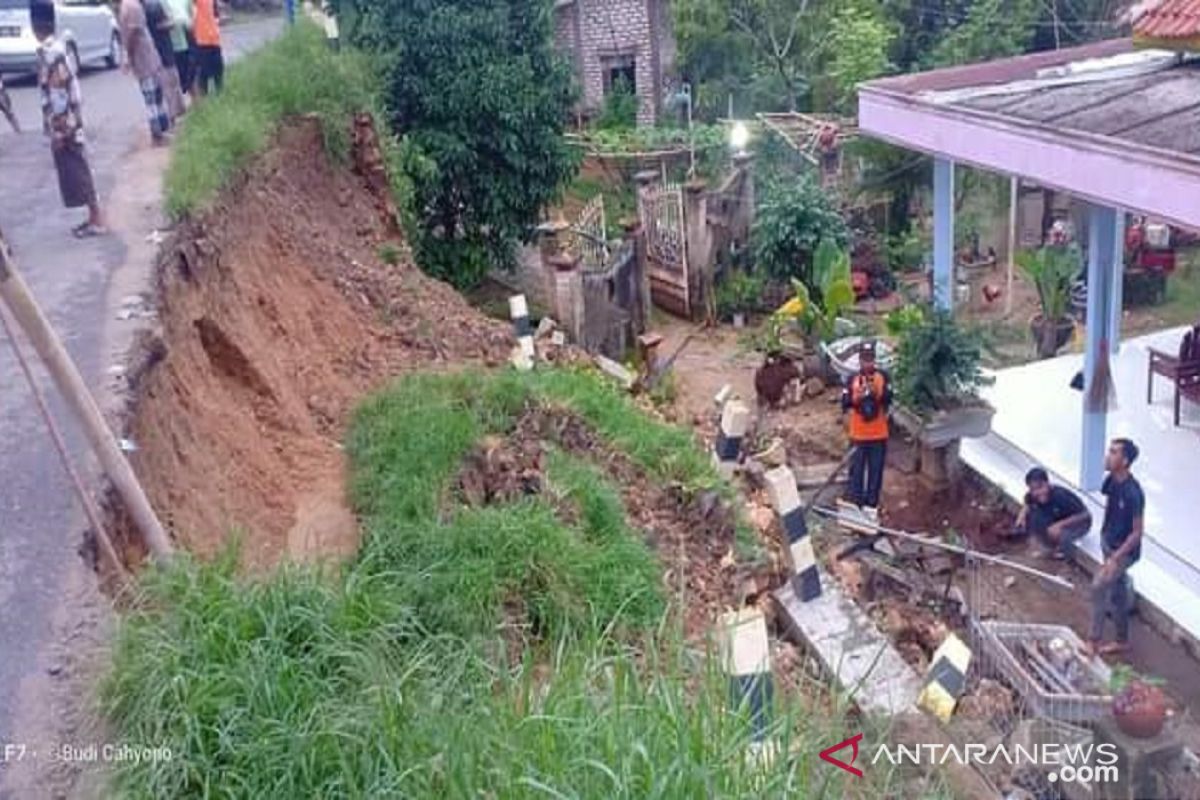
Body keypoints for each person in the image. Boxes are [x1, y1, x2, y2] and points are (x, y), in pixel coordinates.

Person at [32, 1, 105, 238]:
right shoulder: (58, 49)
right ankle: (93, 217)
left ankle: (97, 219)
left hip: (67, 124)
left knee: (79, 171)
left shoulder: (51, 54)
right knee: (77, 170)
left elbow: (58, 96)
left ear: (35, 25)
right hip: (70, 121)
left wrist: (60, 132)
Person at [1088, 438, 1145, 657]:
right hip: (1108, 544)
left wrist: (1115, 558)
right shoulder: (1111, 480)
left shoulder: (1134, 493)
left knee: (1098, 586)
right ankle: (1122, 640)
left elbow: (1137, 532)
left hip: (1124, 552)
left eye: (1113, 453)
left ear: (1125, 460)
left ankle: (1093, 641)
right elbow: (1110, 505)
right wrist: (1105, 537)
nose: (1108, 456)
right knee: (1118, 593)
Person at [841, 340, 892, 511]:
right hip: (858, 435)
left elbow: (889, 400)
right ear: (859, 360)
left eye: (870, 359)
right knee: (856, 472)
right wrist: (857, 397)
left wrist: (877, 393)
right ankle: (856, 504)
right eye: (864, 359)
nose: (867, 363)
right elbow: (844, 403)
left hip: (878, 435)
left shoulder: (883, 377)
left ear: (874, 359)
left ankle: (871, 506)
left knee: (875, 473)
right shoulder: (852, 379)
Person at [118, 0, 170, 144]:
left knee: (153, 98)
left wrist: (127, 55)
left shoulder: (128, 6)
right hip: (146, 56)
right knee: (154, 98)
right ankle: (159, 133)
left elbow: (132, 34)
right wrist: (128, 55)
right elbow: (133, 33)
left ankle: (159, 132)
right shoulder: (132, 6)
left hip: (144, 57)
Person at [1015, 467, 1092, 559]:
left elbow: (1085, 515)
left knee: (1063, 536)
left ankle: (1066, 558)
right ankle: (1047, 547)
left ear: (1047, 484)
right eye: (1033, 489)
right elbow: (1028, 502)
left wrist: (1060, 525)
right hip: (1058, 518)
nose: (1037, 492)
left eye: (1040, 487)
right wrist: (1022, 516)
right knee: (1034, 516)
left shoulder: (1060, 496)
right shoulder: (1033, 495)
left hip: (1079, 523)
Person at [143, 0, 186, 119]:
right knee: (170, 84)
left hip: (162, 49)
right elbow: (162, 25)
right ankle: (175, 113)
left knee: (171, 83)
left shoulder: (149, 6)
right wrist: (170, 23)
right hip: (162, 49)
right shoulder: (153, 6)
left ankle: (177, 112)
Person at [163, 0, 194, 95]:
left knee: (190, 76)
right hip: (172, 44)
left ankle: (197, 102)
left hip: (185, 40)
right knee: (182, 79)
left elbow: (191, 15)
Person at [192, 0, 223, 96]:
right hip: (201, 39)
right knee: (203, 70)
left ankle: (220, 92)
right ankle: (204, 96)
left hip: (214, 38)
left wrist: (217, 22)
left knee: (218, 67)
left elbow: (216, 13)